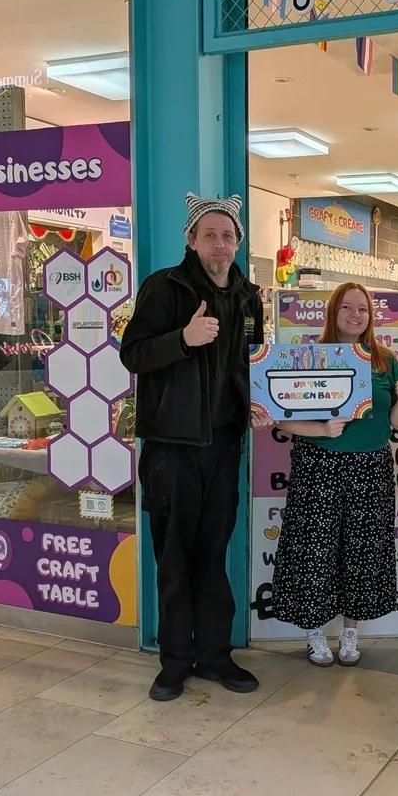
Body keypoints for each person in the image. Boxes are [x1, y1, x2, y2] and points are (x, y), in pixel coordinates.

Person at [120, 193, 266, 702]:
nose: (219, 244)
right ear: (191, 240)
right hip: (172, 449)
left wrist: (261, 403)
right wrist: (183, 338)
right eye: (209, 235)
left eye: (227, 235)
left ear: (238, 242)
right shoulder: (165, 287)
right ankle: (175, 662)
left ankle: (215, 655)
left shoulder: (248, 297)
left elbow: (252, 361)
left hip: (224, 446)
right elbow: (132, 354)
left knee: (214, 553)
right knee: (175, 558)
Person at [271, 283, 398, 666]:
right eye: (347, 308)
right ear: (333, 312)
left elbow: (397, 422)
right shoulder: (310, 357)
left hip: (371, 466)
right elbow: (281, 417)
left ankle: (350, 631)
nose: (355, 315)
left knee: (363, 550)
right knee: (314, 550)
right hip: (319, 465)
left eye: (362, 309)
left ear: (371, 316)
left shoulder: (385, 360)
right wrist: (321, 429)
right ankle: (314, 631)